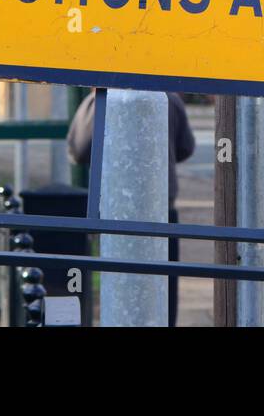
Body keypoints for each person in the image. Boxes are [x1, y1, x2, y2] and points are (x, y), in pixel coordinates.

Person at [66, 89, 195, 325]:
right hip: (163, 207)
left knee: (118, 282)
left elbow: (78, 149)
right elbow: (186, 147)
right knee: (164, 289)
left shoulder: (99, 100)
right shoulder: (167, 98)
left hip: (114, 208)